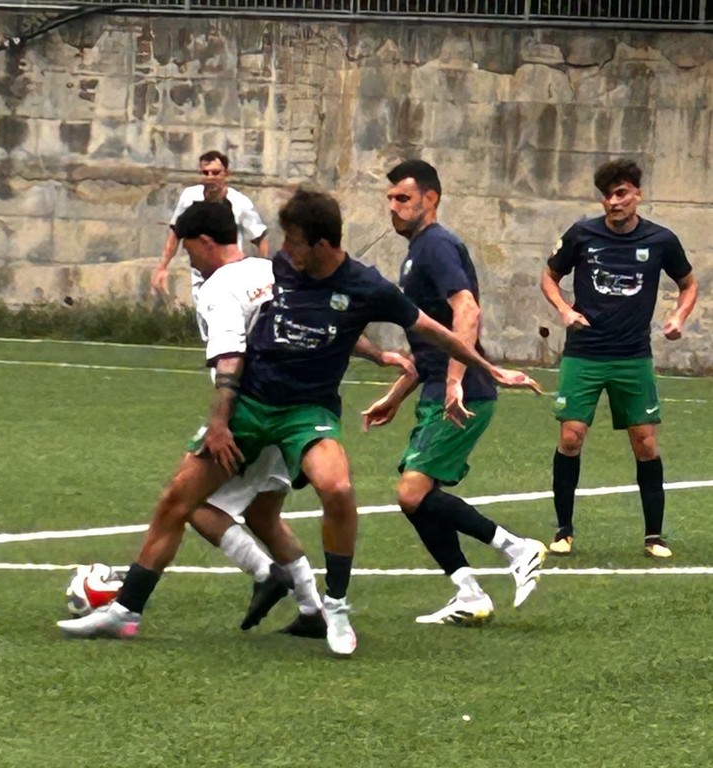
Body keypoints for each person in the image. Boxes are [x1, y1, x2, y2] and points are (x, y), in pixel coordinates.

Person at [59, 188, 541, 656]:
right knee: (177, 499)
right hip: (251, 405)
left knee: (337, 487)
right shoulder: (284, 268)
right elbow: (255, 344)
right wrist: (221, 422)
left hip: (307, 413)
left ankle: (336, 607)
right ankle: (126, 611)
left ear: (322, 244)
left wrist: (488, 368)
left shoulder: (367, 286)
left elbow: (434, 330)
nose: (283, 251)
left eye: (293, 241)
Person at [362, 160, 547, 626]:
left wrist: (454, 381)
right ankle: (469, 593)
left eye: (403, 198)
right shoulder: (417, 251)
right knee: (418, 498)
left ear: (430, 199)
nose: (393, 207)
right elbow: (431, 340)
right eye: (390, 199)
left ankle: (517, 548)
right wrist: (396, 395)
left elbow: (467, 311)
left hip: (464, 393)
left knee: (412, 492)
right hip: (439, 389)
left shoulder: (437, 245)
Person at [541, 158, 697, 558]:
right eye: (607, 196)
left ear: (637, 195)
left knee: (645, 444)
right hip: (584, 354)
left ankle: (654, 536)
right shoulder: (581, 234)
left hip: (633, 357)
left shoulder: (661, 240)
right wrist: (564, 310)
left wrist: (678, 316)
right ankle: (563, 531)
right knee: (571, 438)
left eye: (621, 193)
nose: (614, 202)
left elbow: (688, 284)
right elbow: (549, 277)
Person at [151, 150, 269, 306]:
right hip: (200, 272)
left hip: (230, 273)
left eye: (215, 172)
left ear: (226, 173)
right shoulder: (189, 197)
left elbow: (260, 238)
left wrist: (262, 275)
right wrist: (162, 266)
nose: (210, 177)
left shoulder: (240, 202)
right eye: (205, 173)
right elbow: (175, 233)